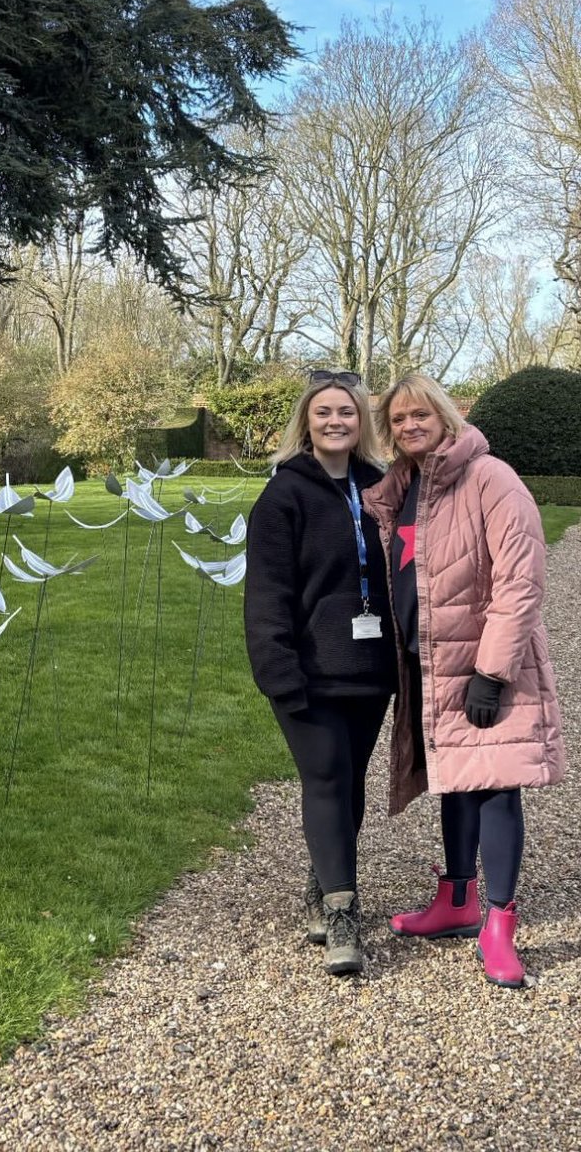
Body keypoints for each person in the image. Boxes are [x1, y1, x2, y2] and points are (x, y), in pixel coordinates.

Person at [361, 373, 565, 988]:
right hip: (426, 663)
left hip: (482, 667)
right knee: (455, 779)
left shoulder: (490, 478)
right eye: (398, 419)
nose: (410, 426)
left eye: (421, 414)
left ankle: (499, 923)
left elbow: (520, 580)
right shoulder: (401, 487)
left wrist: (493, 671)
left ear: (446, 416)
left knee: (498, 784)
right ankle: (456, 899)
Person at [244, 369, 397, 976]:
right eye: (324, 412)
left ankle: (322, 878)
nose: (336, 421)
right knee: (327, 778)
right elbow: (266, 594)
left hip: (371, 667)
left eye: (348, 413)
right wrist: (277, 670)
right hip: (308, 672)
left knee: (350, 784)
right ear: (306, 422)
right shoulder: (285, 495)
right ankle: (342, 910)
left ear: (361, 422)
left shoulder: (382, 487)